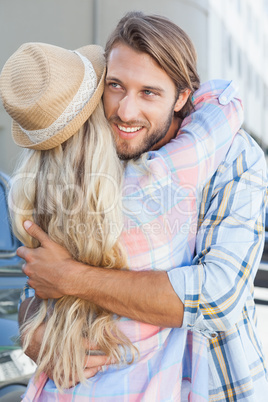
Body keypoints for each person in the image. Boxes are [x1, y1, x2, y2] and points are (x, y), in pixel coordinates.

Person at [2, 11, 267, 401]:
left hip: (212, 385)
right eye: (116, 86)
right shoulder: (91, 147)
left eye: (149, 93)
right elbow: (40, 279)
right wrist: (34, 333)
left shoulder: (233, 156)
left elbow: (218, 297)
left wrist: (72, 277)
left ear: (181, 97)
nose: (126, 111)